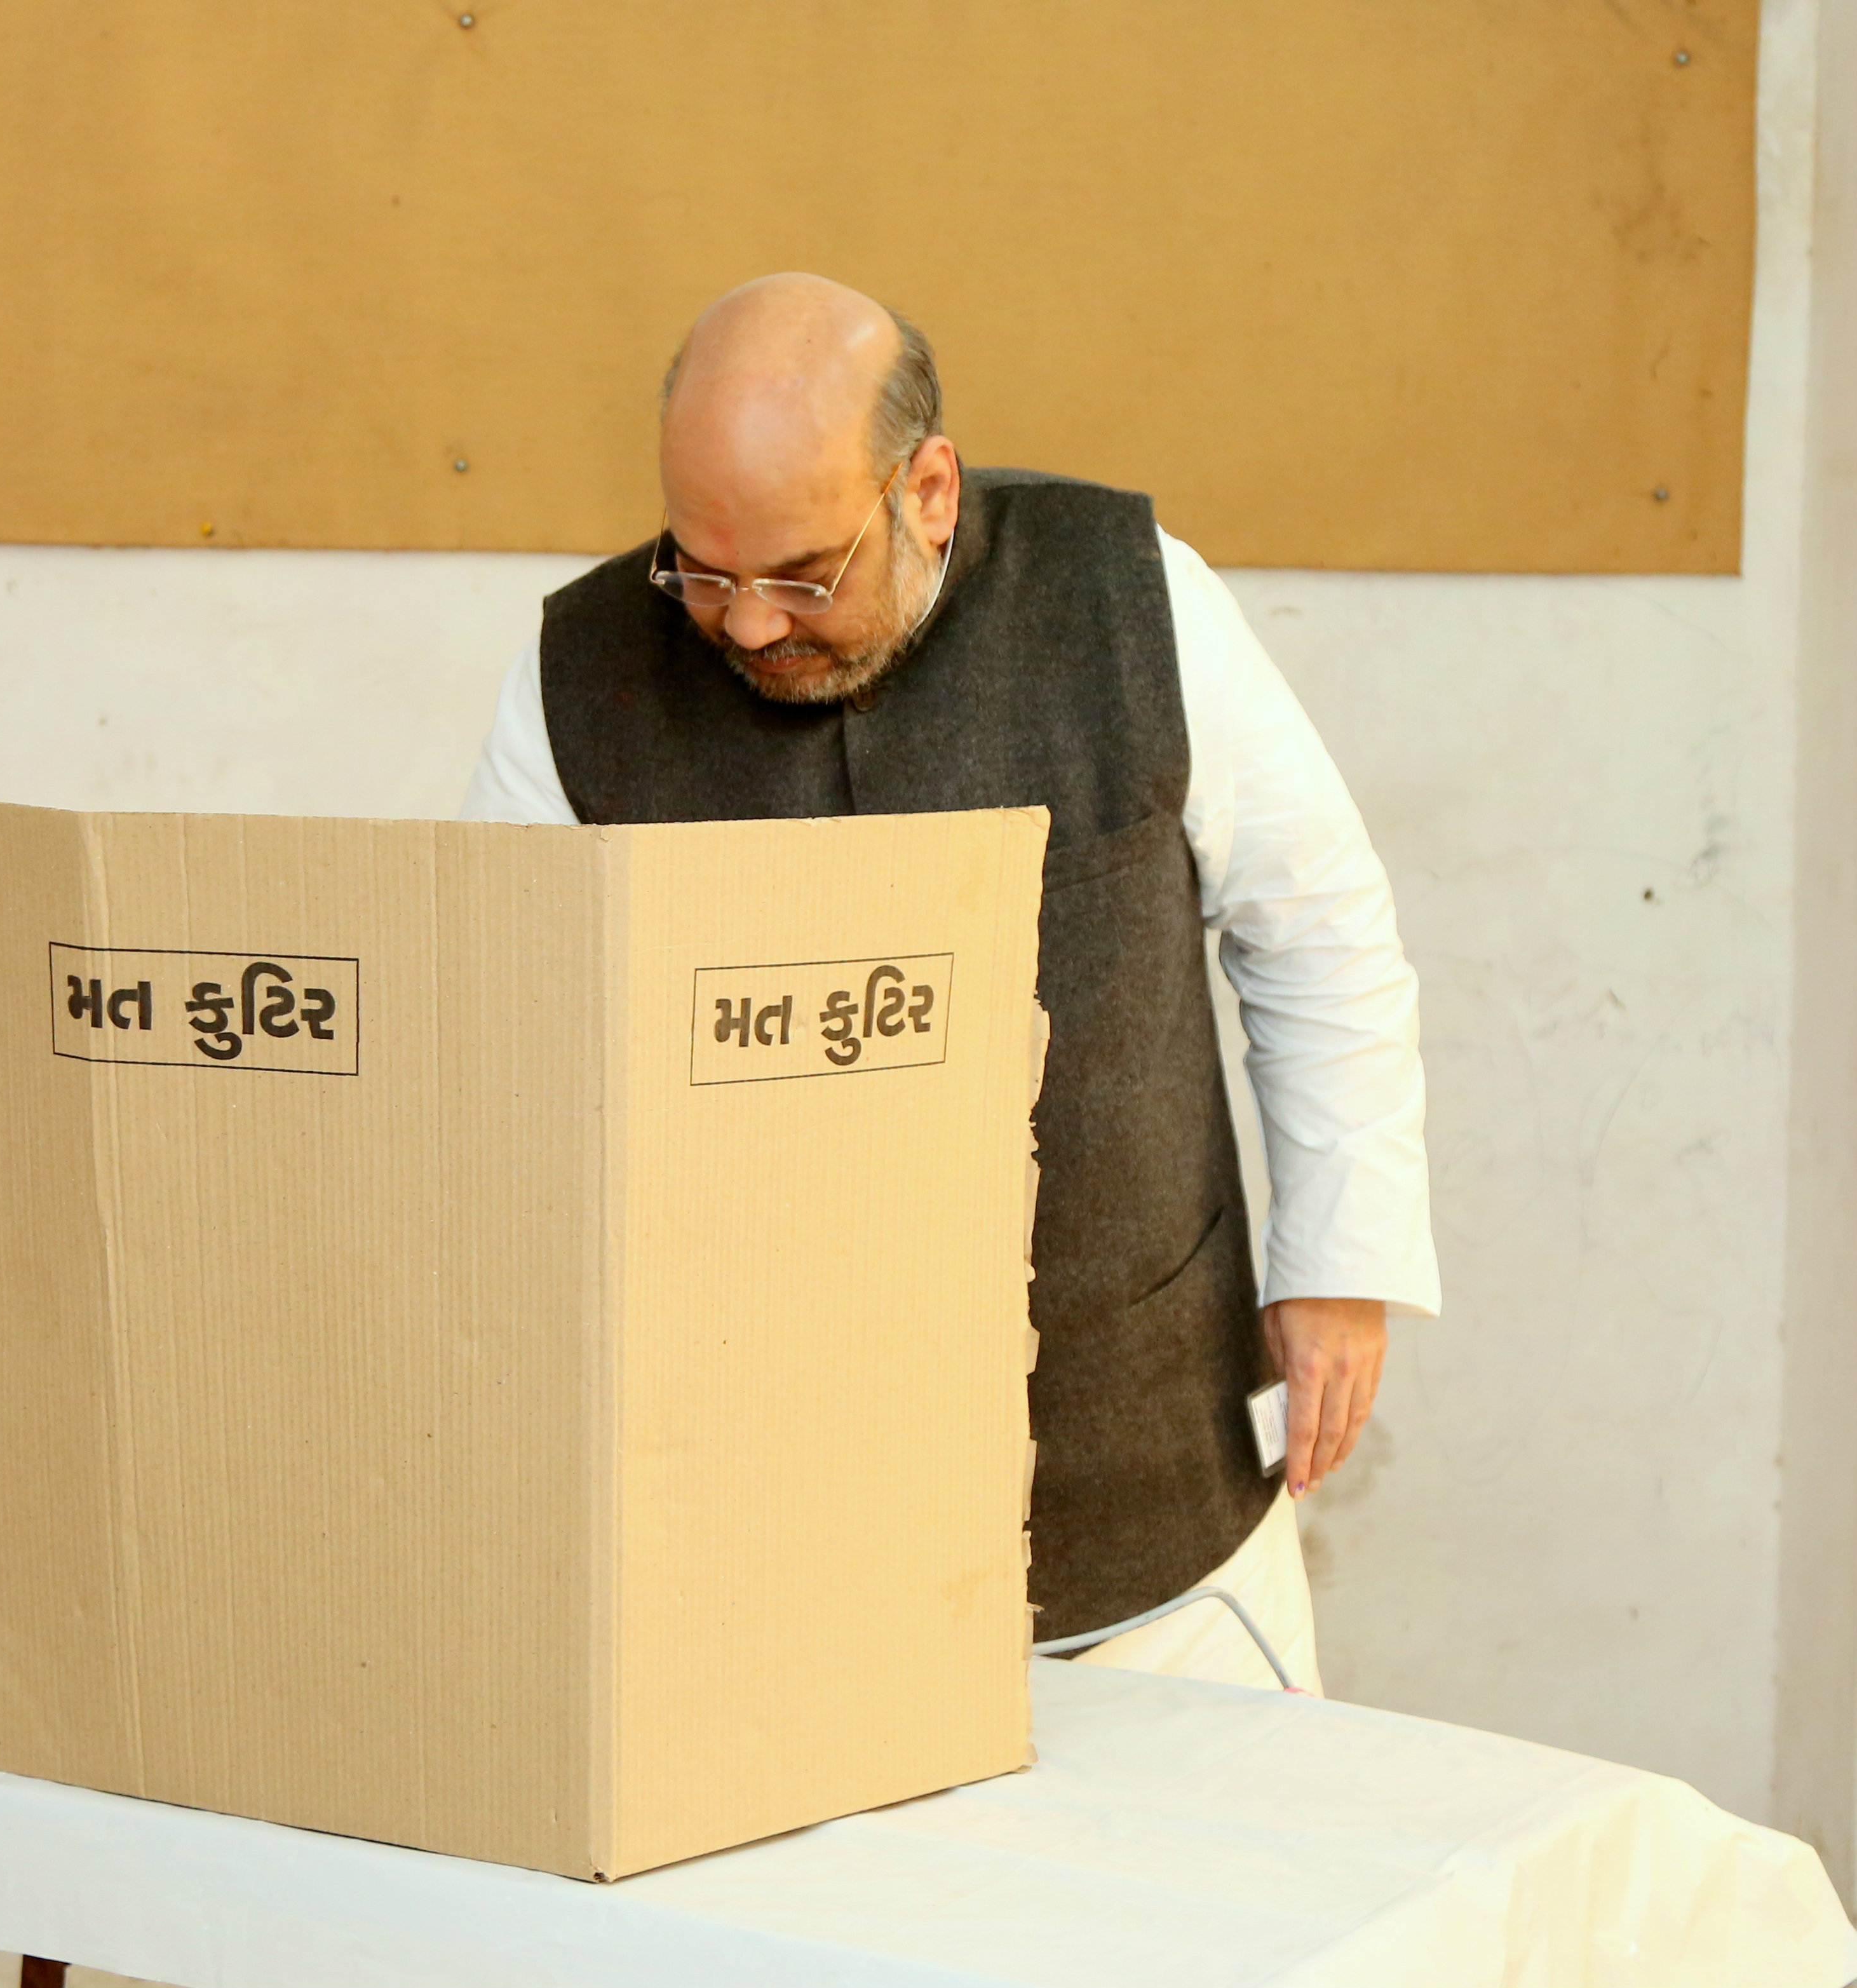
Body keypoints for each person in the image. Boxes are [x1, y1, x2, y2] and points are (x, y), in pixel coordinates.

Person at [462, 273, 1440, 1693]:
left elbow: (1317, 924)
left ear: (925, 488)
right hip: (760, 1512)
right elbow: (500, 1037)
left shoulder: (1131, 601)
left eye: (802, 574)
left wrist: (1341, 1259)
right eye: (700, 569)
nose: (743, 625)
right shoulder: (572, 673)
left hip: (1143, 1486)